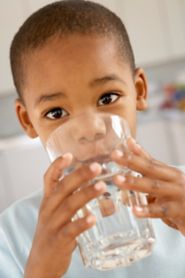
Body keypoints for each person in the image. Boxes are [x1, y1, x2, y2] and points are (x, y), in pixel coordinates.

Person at [0, 1, 185, 277]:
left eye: (107, 98)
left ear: (139, 91)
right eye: (56, 112)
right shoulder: (10, 237)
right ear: (28, 121)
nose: (90, 129)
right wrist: (40, 271)